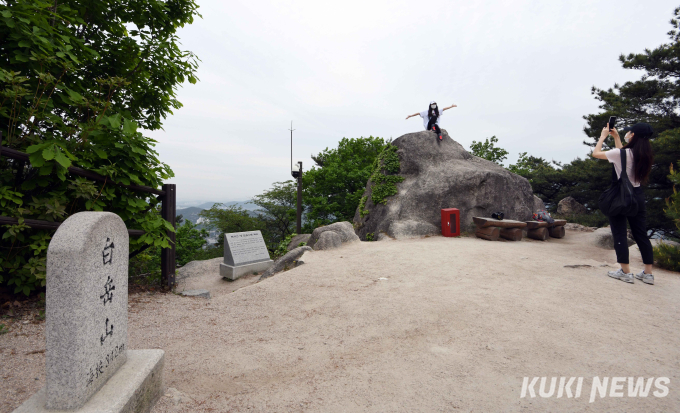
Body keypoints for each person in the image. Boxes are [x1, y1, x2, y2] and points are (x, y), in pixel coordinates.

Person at [591, 122, 655, 285]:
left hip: (620, 197)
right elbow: (623, 158)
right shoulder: (645, 153)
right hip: (638, 196)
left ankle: (626, 272)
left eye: (629, 132)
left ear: (633, 136)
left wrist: (603, 136)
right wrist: (617, 137)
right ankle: (648, 274)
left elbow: (596, 153)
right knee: (641, 234)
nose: (628, 133)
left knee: (619, 233)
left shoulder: (622, 153)